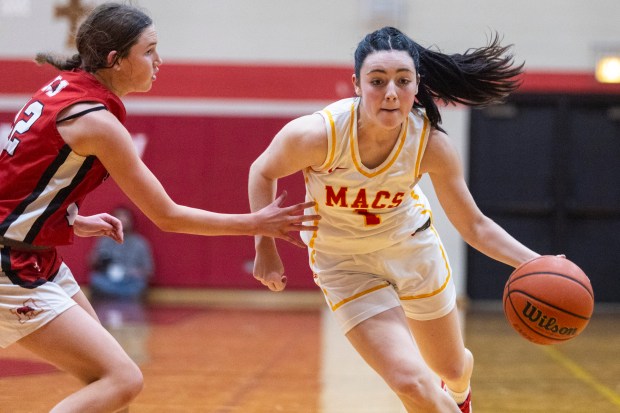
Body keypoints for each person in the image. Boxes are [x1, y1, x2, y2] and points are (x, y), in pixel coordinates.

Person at [0, 3, 318, 413]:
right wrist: (255, 222)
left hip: (34, 255)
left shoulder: (65, 89)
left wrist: (71, 218)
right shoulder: (96, 122)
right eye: (149, 50)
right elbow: (166, 215)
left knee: (109, 391)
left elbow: (22, 177)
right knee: (122, 380)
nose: (159, 61)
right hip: (12, 265)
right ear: (115, 60)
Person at [249, 26, 541, 413]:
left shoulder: (431, 144)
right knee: (411, 382)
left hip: (412, 251)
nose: (390, 92)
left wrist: (536, 263)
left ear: (417, 85)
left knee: (449, 369)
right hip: (345, 265)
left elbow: (474, 224)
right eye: (377, 81)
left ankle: (459, 388)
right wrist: (263, 246)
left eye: (402, 81)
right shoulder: (316, 135)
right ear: (356, 84)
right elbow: (261, 171)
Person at [89, 206, 154, 300]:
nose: (122, 220)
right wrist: (98, 260)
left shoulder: (140, 243)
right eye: (118, 217)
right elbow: (92, 263)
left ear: (131, 221)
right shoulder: (104, 240)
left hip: (129, 282)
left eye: (125, 217)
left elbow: (148, 271)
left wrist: (133, 272)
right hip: (108, 279)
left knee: (139, 285)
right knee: (96, 280)